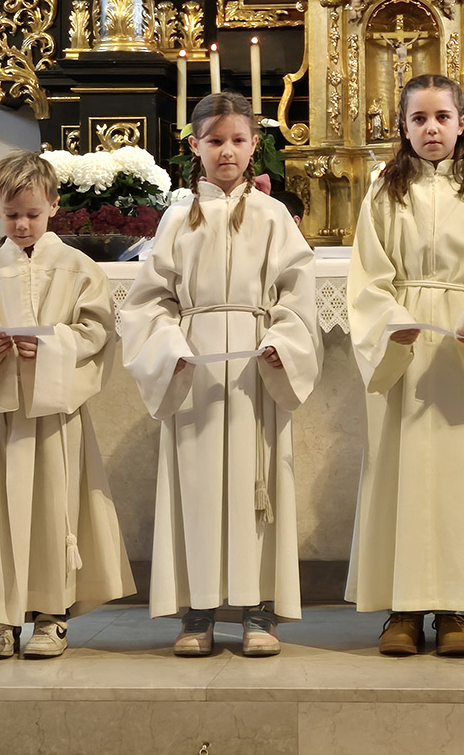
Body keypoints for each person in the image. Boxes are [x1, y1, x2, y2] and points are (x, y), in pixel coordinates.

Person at [120, 92, 321, 657]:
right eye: (215, 141)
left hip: (257, 367)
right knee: (198, 485)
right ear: (195, 147)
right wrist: (168, 348)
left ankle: (258, 610)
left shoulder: (272, 216)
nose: (227, 151)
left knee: (259, 486)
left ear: (255, 145)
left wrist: (283, 343)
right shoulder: (176, 218)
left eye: (237, 140)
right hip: (195, 368)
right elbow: (149, 301)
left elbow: (297, 292)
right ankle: (199, 609)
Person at [346, 74, 464, 657]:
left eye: (442, 117)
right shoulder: (384, 194)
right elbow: (367, 277)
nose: (431, 128)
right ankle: (402, 611)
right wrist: (388, 322)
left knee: (459, 479)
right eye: (419, 118)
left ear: (462, 124)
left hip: (461, 346)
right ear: (403, 127)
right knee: (400, 474)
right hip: (405, 346)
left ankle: (455, 609)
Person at [0, 151, 135, 659]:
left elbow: (97, 332)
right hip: (2, 418)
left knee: (55, 509)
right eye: (11, 215)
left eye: (32, 213)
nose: (23, 224)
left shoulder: (79, 269)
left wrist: (51, 346)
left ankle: (53, 615)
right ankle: (0, 619)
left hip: (54, 416)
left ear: (53, 205)